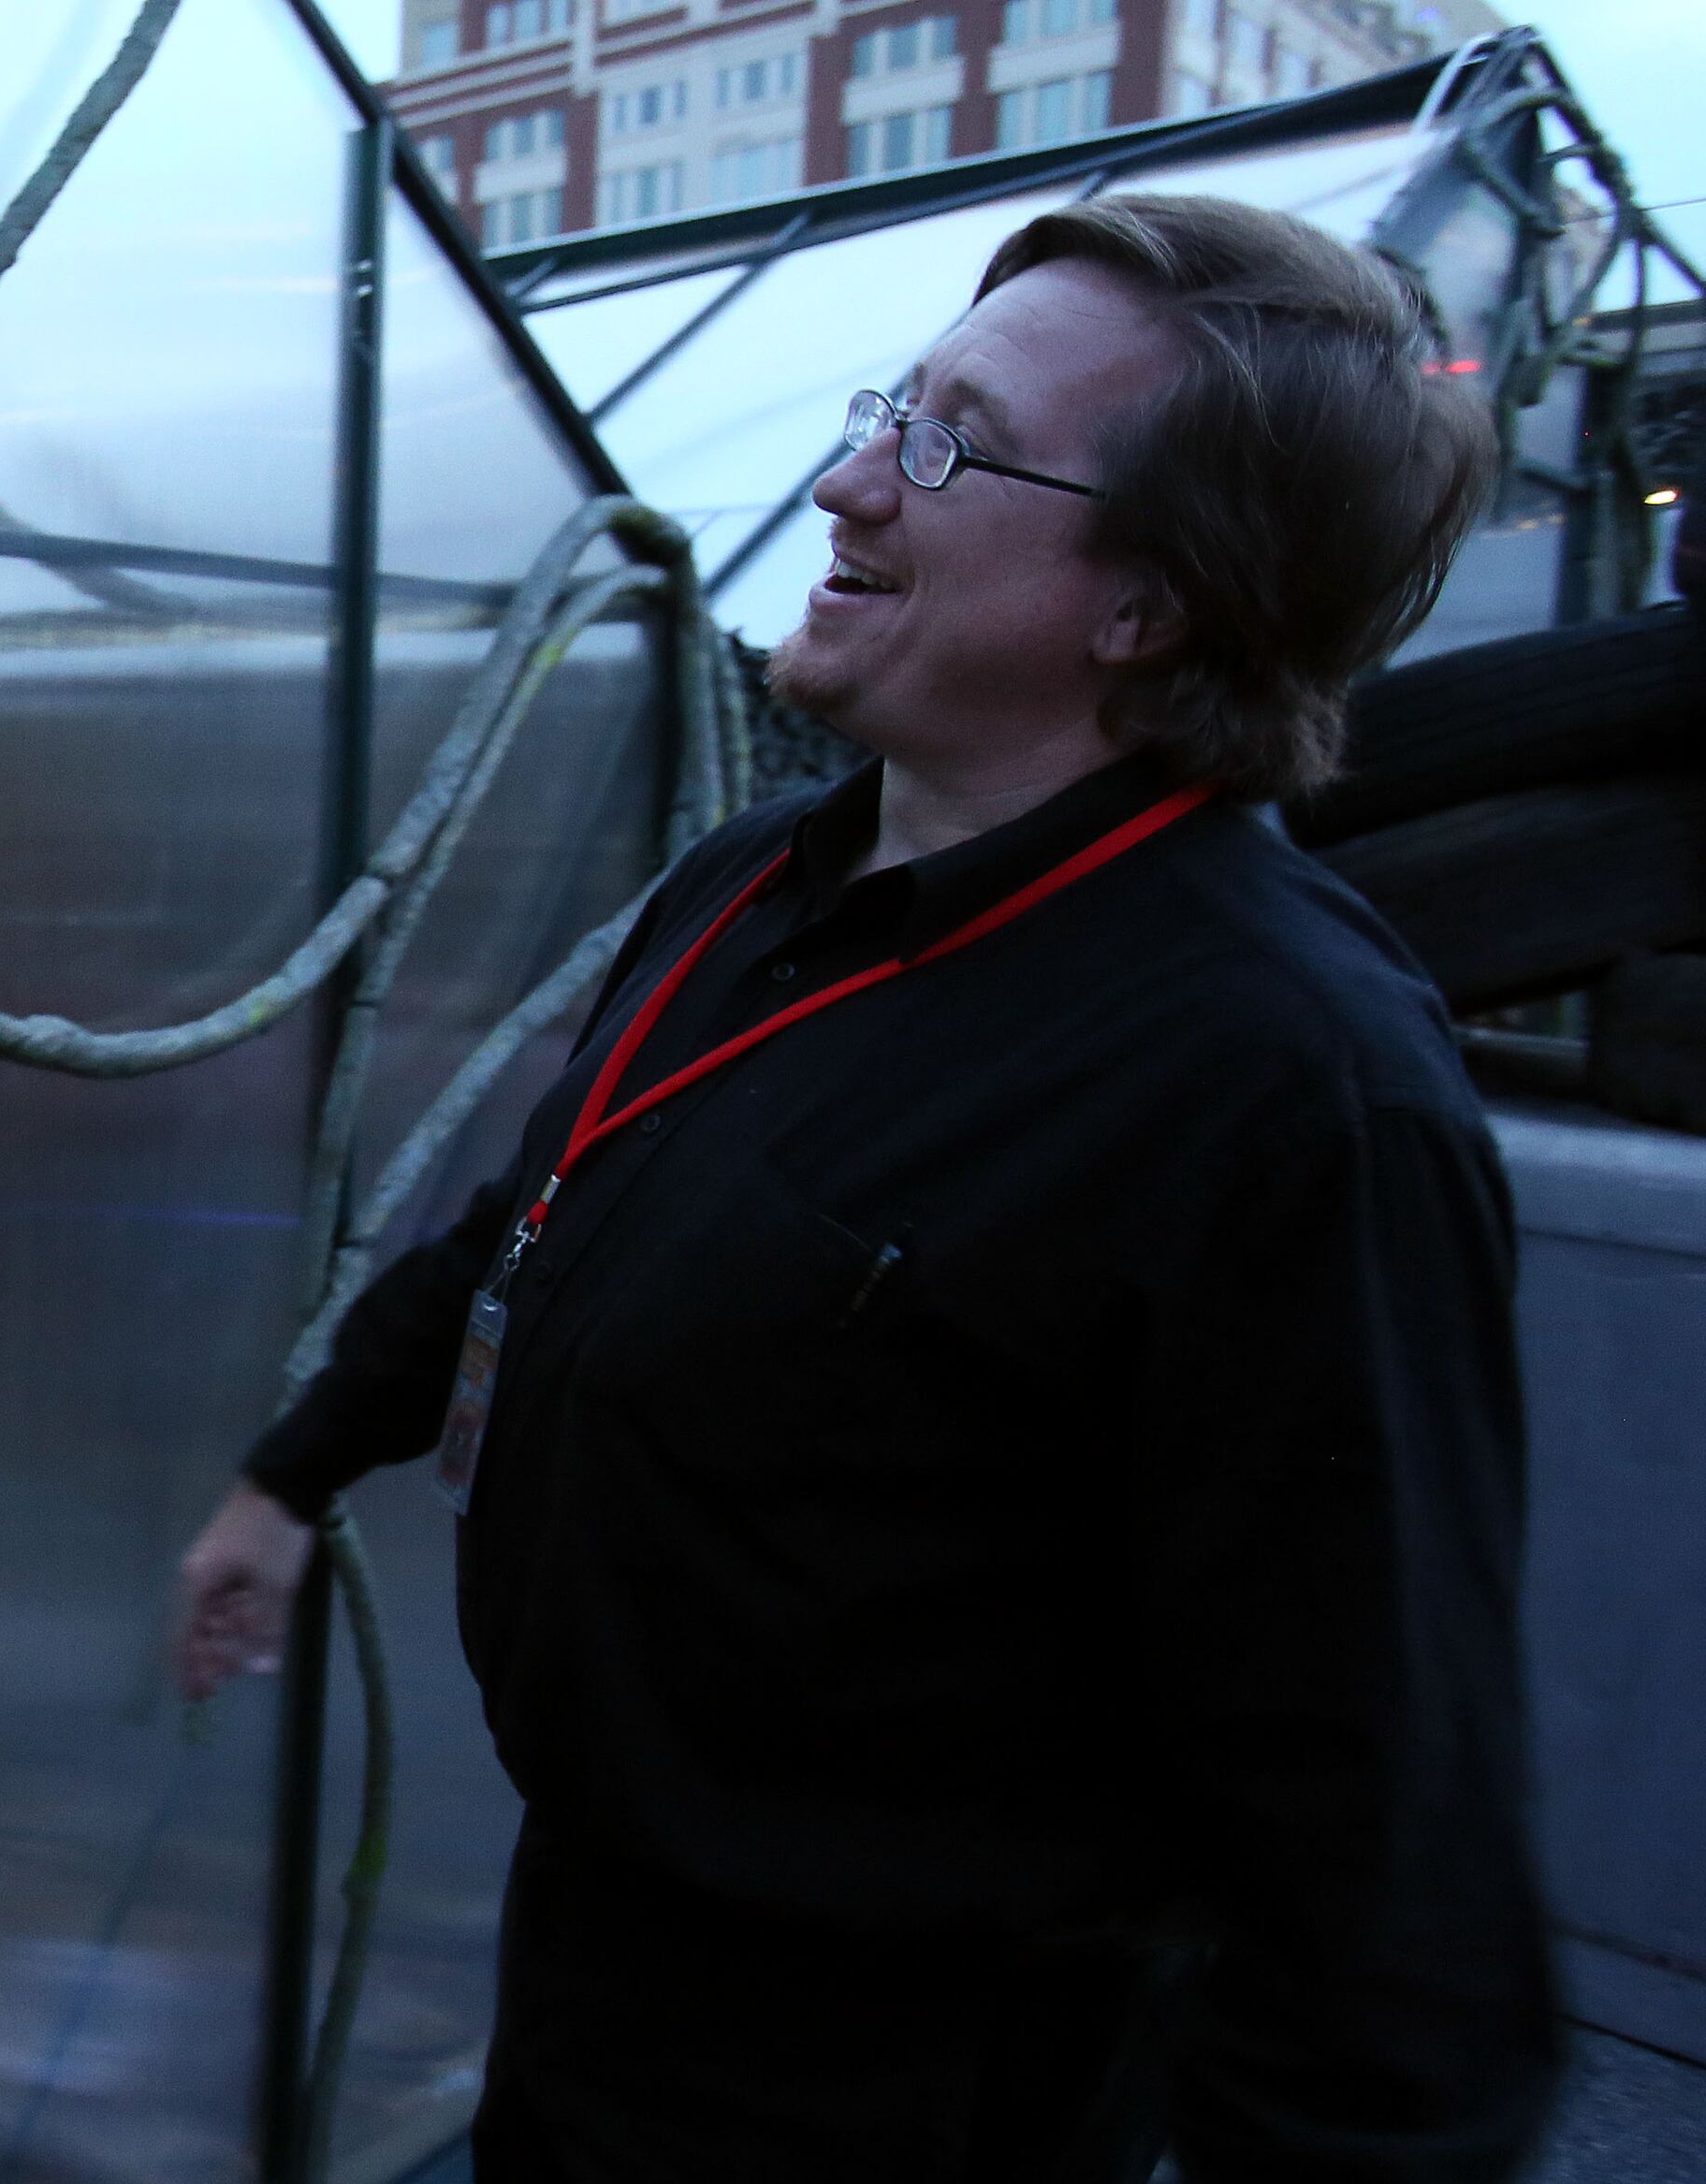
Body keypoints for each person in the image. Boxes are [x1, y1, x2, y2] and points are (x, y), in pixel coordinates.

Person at [175, 195, 1558, 2182]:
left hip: (909, 2097)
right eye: (883, 410)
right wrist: (290, 1475)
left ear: (1148, 603)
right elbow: (536, 1226)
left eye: (949, 445)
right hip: (603, 1992)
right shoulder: (754, 885)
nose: (843, 480)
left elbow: (1390, 1855)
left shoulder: (1281, 1088)